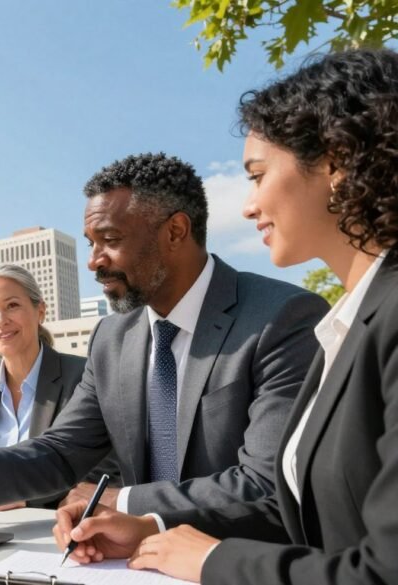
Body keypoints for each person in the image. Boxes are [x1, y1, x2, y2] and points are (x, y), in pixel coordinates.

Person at [53, 48, 398, 585]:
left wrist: (212, 560)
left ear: (334, 161)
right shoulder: (352, 324)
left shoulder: (335, 318)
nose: (247, 205)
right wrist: (148, 524)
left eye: (257, 175)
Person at [0, 152, 329, 517]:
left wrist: (124, 504)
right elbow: (62, 451)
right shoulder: (112, 338)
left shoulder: (283, 318)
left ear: (175, 231)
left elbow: (266, 483)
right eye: (90, 244)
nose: (93, 261)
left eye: (110, 240)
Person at [0, 264, 108, 506]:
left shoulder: (83, 376)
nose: (1, 321)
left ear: (40, 311)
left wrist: (23, 500)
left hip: (54, 528)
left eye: (12, 306)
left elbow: (102, 470)